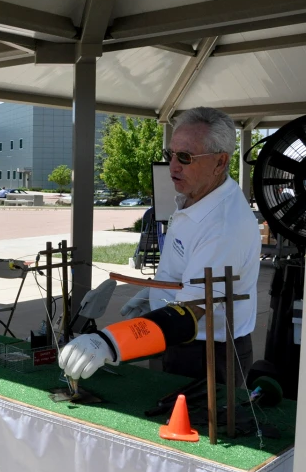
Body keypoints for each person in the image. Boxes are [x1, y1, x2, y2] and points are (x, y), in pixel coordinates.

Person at [60, 107, 260, 383]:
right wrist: (151, 296)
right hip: (181, 339)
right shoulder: (196, 196)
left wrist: (111, 342)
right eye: (171, 155)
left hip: (209, 354)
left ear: (220, 162)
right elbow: (182, 270)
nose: (173, 166)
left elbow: (193, 310)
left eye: (186, 157)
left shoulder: (224, 225)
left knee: (198, 425)